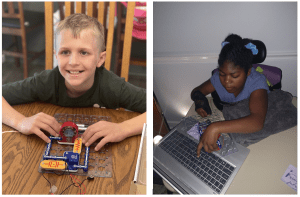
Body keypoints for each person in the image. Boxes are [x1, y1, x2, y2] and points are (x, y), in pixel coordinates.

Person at [2, 13, 146, 151]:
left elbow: (153, 109)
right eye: (65, 52)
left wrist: (122, 128)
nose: (73, 62)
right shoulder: (45, 81)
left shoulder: (113, 86)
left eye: (84, 52)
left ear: (100, 59)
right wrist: (21, 122)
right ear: (56, 56)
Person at [191, 34, 270, 156]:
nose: (226, 81)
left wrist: (214, 128)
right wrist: (200, 102)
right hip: (227, 124)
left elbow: (257, 122)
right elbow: (196, 92)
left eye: (234, 76)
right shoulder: (218, 78)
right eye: (222, 74)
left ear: (248, 71)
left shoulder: (257, 81)